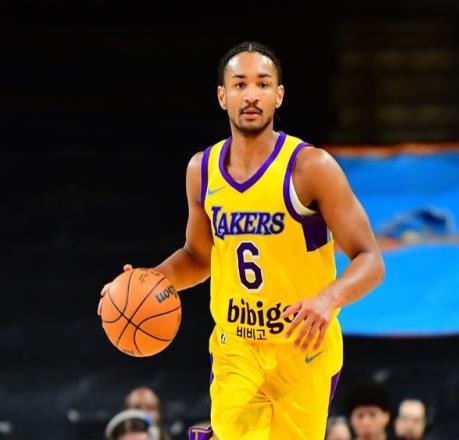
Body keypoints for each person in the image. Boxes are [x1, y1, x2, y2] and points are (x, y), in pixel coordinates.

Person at [99, 41, 385, 440]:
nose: (251, 95)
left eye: (263, 84)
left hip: (303, 349)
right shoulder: (202, 170)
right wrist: (151, 280)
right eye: (240, 84)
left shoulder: (310, 168)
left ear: (278, 95)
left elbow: (370, 260)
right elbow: (198, 256)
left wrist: (328, 299)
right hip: (238, 346)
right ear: (223, 96)